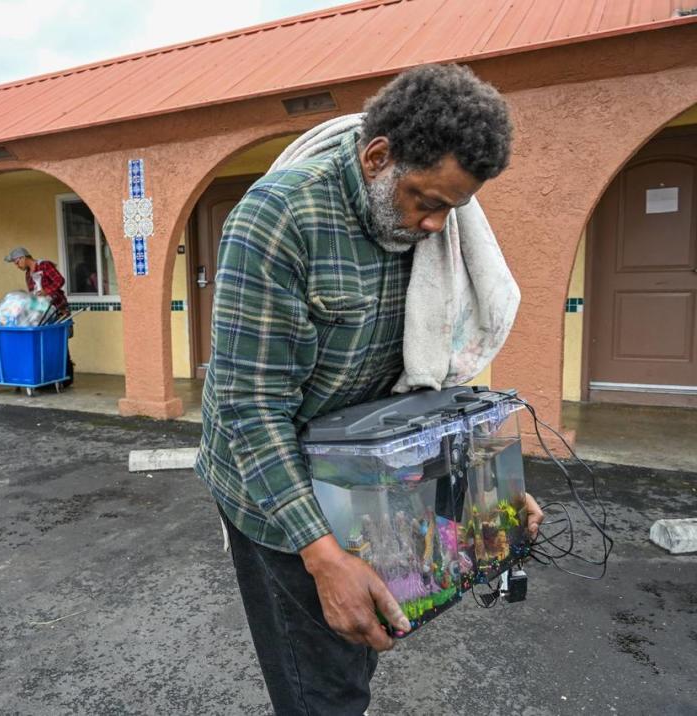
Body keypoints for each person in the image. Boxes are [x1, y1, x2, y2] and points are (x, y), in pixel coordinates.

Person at [195, 64, 545, 715]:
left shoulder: (432, 230)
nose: (440, 226)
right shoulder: (280, 220)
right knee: (324, 686)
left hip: (362, 466)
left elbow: (436, 381)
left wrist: (489, 502)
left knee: (371, 629)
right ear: (377, 157)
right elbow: (251, 410)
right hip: (273, 479)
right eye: (428, 201)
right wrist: (324, 557)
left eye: (453, 206)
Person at [5, 247, 73, 387]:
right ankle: (48, 377)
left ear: (23, 258)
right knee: (46, 344)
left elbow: (60, 281)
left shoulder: (44, 265)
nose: (16, 266)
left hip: (57, 309)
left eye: (17, 262)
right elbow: (33, 295)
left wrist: (46, 291)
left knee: (60, 343)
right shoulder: (28, 275)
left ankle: (65, 377)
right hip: (43, 313)